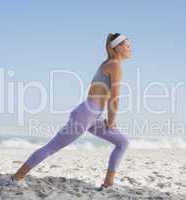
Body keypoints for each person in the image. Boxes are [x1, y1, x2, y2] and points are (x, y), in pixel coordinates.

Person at [10, 33, 132, 190]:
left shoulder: (108, 63)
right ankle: (16, 177)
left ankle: (108, 184)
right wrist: (112, 121)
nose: (130, 49)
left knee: (122, 142)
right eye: (128, 46)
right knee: (51, 148)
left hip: (92, 115)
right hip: (85, 115)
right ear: (118, 48)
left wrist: (108, 119)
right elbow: (114, 97)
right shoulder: (114, 65)